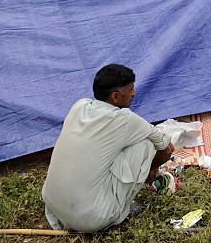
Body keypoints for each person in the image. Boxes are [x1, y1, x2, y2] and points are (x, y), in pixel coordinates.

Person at [42, 64, 174, 233]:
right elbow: (167, 148)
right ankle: (118, 213)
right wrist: (152, 168)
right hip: (90, 220)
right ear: (115, 97)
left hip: (53, 206)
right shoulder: (125, 119)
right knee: (145, 144)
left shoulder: (79, 106)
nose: (134, 93)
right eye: (131, 90)